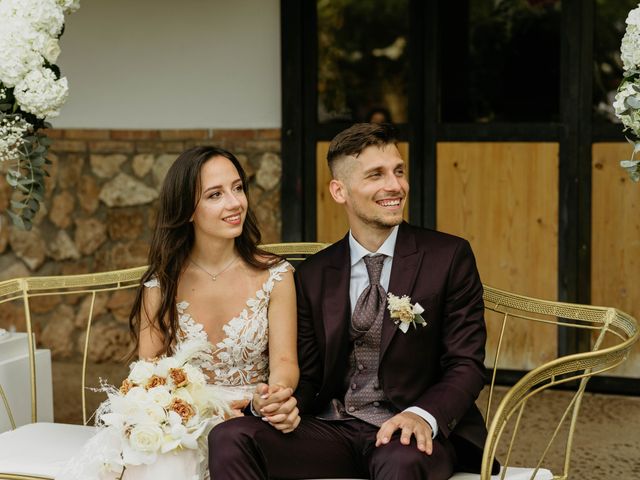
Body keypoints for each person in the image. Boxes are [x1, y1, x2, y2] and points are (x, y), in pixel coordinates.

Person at [209, 123, 499, 479]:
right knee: (230, 437)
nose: (394, 185)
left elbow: (466, 364)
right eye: (376, 175)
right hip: (335, 430)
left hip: (410, 436)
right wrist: (281, 404)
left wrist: (422, 415)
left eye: (398, 172)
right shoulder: (315, 274)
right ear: (339, 190)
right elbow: (311, 376)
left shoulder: (448, 256)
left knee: (400, 461)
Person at [57, 146, 299, 480]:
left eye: (238, 187)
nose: (234, 203)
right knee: (168, 458)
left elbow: (285, 364)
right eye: (215, 194)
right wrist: (194, 412)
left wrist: (275, 397)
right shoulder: (161, 284)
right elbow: (150, 373)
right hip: (182, 417)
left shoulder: (277, 275)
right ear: (187, 210)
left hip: (251, 416)